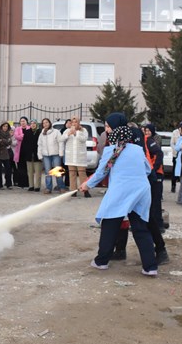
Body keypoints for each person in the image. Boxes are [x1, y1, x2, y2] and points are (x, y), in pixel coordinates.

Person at [80, 112, 158, 277]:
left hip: (121, 191)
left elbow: (102, 172)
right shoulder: (137, 149)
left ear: (115, 131)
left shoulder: (111, 151)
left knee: (109, 224)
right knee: (140, 228)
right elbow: (147, 169)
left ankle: (101, 261)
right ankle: (150, 266)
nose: (106, 130)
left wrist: (87, 184)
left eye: (108, 127)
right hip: (141, 191)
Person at [143, 123, 169, 265]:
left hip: (155, 175)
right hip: (148, 176)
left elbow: (159, 153)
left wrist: (154, 168)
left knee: (155, 202)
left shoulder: (148, 141)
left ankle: (159, 225)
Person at [60, 116, 90, 197]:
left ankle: (85, 190)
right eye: (72, 122)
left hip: (80, 156)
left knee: (82, 174)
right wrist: (68, 134)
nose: (74, 124)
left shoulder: (83, 130)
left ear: (78, 123)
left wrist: (76, 133)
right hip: (71, 156)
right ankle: (73, 191)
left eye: (75, 122)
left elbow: (84, 139)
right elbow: (61, 139)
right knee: (72, 174)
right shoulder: (67, 130)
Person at [37, 118, 67, 194]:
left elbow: (60, 142)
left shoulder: (56, 132)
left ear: (50, 123)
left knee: (57, 171)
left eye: (47, 122)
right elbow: (39, 145)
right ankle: (48, 188)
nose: (45, 124)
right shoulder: (42, 133)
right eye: (44, 123)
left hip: (55, 154)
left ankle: (61, 187)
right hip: (46, 155)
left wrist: (61, 153)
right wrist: (40, 154)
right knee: (48, 172)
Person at [24, 120, 42, 191]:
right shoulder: (27, 132)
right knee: (30, 172)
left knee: (38, 172)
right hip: (29, 155)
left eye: (34, 123)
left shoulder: (40, 132)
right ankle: (31, 186)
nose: (33, 125)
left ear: (37, 124)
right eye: (31, 123)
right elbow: (24, 144)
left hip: (37, 155)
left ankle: (37, 186)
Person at [171, 123, 182, 193]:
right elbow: (176, 147)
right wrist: (181, 146)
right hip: (180, 160)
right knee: (181, 177)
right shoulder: (181, 138)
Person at [12, 117, 30, 188]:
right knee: (20, 168)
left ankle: (27, 183)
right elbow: (17, 137)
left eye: (24, 121)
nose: (22, 122)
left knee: (27, 168)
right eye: (21, 121)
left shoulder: (29, 128)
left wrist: (22, 136)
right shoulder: (17, 129)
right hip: (19, 151)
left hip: (27, 151)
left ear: (26, 122)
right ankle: (21, 183)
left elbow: (29, 137)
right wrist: (24, 135)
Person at [0, 121, 14, 189]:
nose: (5, 127)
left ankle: (8, 184)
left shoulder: (8, 133)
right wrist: (5, 141)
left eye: (6, 126)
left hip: (6, 153)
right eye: (4, 126)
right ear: (1, 127)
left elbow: (10, 142)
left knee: (8, 169)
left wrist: (3, 141)